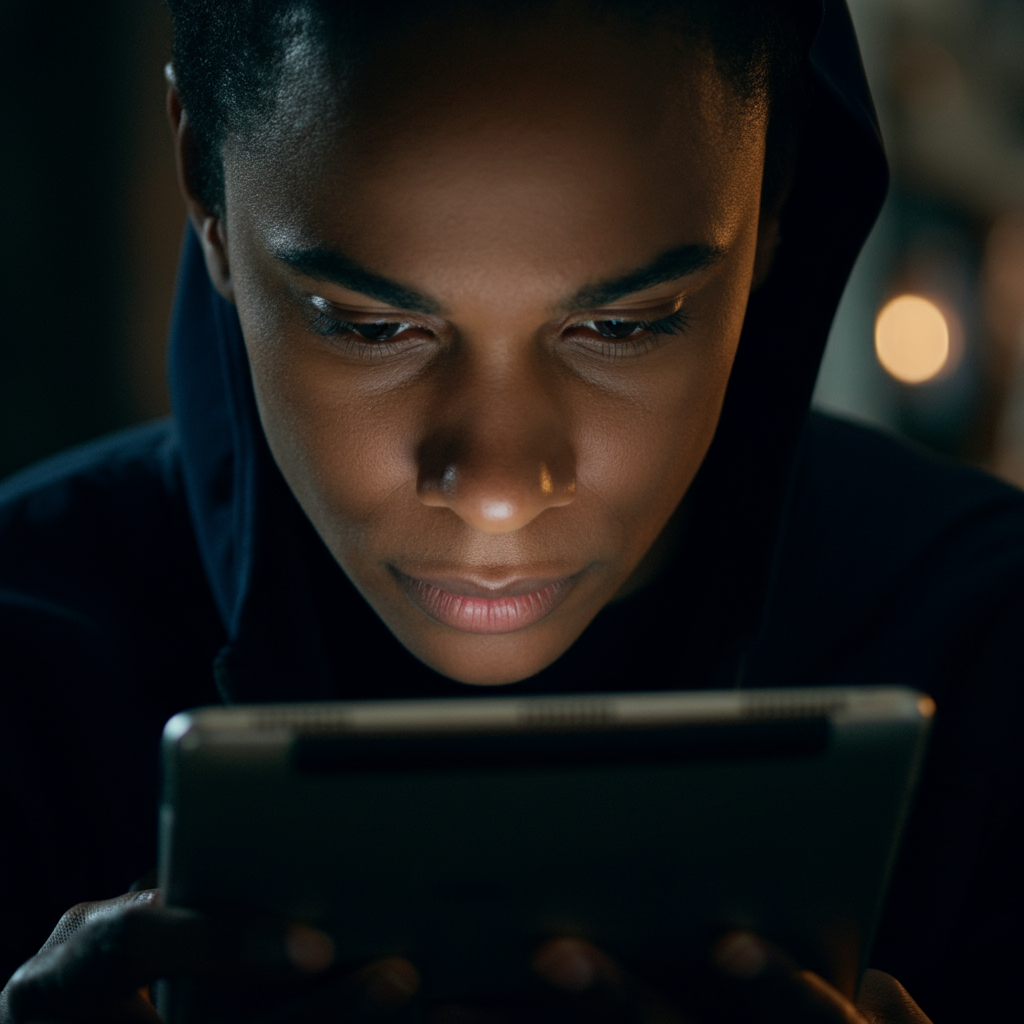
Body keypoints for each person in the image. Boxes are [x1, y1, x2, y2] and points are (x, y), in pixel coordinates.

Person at [0, 0, 1021, 1021]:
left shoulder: (994, 650)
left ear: (774, 197)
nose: (496, 494)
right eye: (372, 328)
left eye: (623, 326)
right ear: (203, 185)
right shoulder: (24, 667)